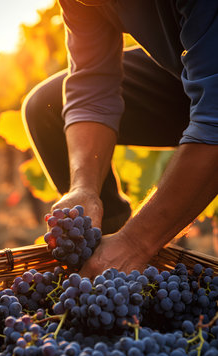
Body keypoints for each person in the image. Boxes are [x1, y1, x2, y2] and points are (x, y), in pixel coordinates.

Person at [22, 0, 218, 278]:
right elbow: (92, 89)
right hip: (192, 67)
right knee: (47, 108)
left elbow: (215, 120)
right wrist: (83, 188)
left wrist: (136, 242)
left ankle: (127, 254)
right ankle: (111, 264)